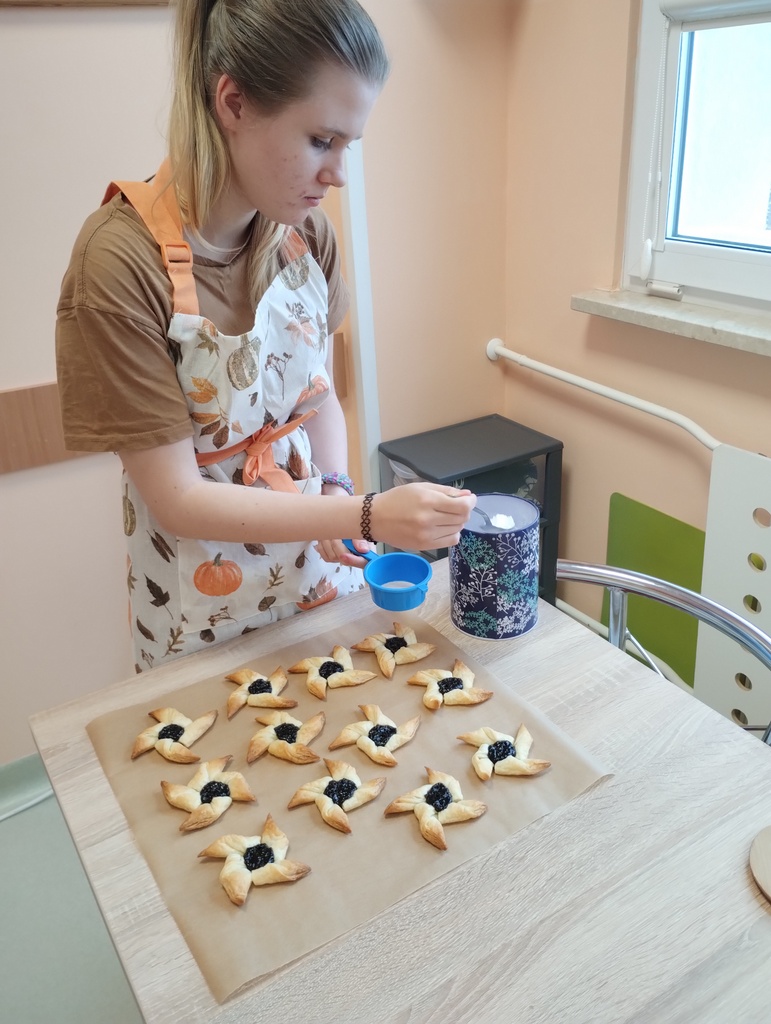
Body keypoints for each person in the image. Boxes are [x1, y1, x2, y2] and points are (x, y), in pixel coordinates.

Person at [55, 0, 475, 672]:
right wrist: (365, 515)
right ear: (234, 103)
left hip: (316, 580)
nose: (338, 174)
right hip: (199, 616)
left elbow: (317, 399)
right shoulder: (118, 263)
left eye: (348, 145)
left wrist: (335, 487)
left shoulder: (305, 236)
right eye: (321, 140)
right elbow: (179, 499)